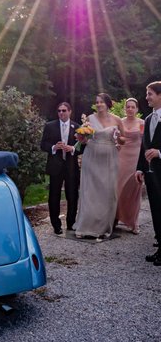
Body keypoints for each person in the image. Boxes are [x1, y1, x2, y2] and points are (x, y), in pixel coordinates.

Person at [74, 93, 125, 241]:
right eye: (97, 102)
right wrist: (82, 138)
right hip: (91, 157)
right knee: (90, 191)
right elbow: (84, 141)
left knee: (106, 192)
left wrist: (117, 138)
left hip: (110, 158)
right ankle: (85, 226)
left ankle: (102, 227)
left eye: (101, 102)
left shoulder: (116, 120)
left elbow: (124, 140)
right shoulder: (90, 119)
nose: (98, 104)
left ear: (108, 104)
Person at [40, 102, 80, 235]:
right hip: (55, 166)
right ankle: (56, 225)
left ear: (70, 111)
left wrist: (72, 148)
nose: (61, 113)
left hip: (71, 167)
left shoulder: (78, 127)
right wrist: (53, 147)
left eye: (63, 111)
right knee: (54, 196)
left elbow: (82, 146)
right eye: (59, 111)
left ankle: (71, 223)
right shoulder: (50, 126)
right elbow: (43, 144)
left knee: (72, 196)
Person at [135, 81, 161, 267]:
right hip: (152, 175)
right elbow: (143, 147)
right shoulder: (148, 119)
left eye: (150, 93)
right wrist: (139, 168)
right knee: (156, 211)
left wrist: (160, 153)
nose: (146, 97)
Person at [115, 98, 144, 234]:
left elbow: (146, 142)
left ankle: (134, 222)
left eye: (133, 107)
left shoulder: (142, 123)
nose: (130, 109)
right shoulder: (119, 122)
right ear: (125, 108)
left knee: (134, 191)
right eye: (128, 107)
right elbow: (117, 140)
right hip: (121, 158)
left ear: (137, 109)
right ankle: (115, 218)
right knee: (118, 189)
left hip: (136, 159)